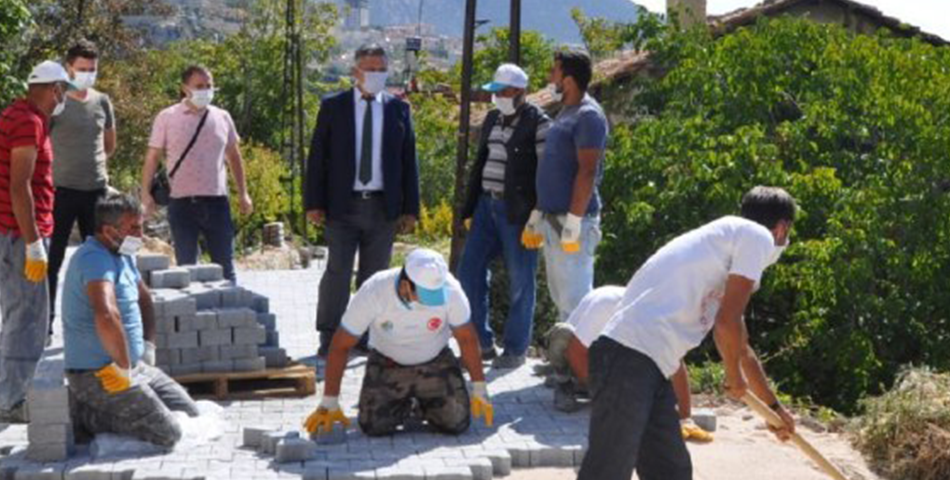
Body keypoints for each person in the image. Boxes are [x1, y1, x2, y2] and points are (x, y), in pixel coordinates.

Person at [576, 186, 799, 480]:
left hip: (650, 366)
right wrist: (733, 376)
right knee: (608, 471)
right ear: (781, 228)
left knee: (670, 470)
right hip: (628, 357)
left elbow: (741, 347)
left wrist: (773, 408)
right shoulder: (756, 237)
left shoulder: (723, 247)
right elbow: (726, 323)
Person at [304, 44, 420, 357]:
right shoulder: (334, 106)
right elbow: (317, 157)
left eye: (382, 70)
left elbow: (409, 161)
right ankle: (330, 336)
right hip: (342, 205)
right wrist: (313, 202)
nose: (376, 75)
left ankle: (366, 336)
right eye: (370, 69)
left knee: (375, 278)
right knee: (338, 273)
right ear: (355, 71)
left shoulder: (398, 109)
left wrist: (410, 209)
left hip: (383, 208)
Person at [303, 249, 491, 437]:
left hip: (435, 361)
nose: (429, 304)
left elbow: (467, 339)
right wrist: (329, 401)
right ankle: (405, 403)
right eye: (424, 296)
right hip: (388, 363)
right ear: (405, 285)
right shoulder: (375, 290)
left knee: (456, 423)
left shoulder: (451, 291)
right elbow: (340, 345)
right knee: (374, 427)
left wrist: (479, 388)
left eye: (435, 296)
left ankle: (423, 403)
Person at [62, 193, 199, 447]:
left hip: (133, 366)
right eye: (134, 228)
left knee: (190, 413)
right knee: (168, 432)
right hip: (100, 374)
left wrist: (148, 346)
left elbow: (144, 298)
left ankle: (102, 406)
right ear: (108, 230)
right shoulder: (94, 259)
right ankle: (86, 416)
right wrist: (122, 368)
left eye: (141, 226)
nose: (141, 234)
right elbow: (106, 314)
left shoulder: (122, 254)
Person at [458, 63, 550, 369]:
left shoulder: (539, 123)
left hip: (518, 212)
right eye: (495, 91)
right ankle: (481, 343)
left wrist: (538, 213)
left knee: (521, 280)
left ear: (520, 91)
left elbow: (546, 171)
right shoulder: (492, 118)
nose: (497, 97)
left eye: (503, 91)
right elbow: (481, 161)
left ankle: (515, 348)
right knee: (469, 271)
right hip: (486, 206)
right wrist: (470, 207)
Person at [0, 61, 73, 423]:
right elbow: (20, 186)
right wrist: (32, 243)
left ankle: (10, 392)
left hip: (14, 231)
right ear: (52, 88)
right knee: (27, 319)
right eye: (62, 91)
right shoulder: (28, 122)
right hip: (18, 235)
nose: (63, 98)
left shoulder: (17, 115)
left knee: (18, 314)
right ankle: (13, 401)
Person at [544, 286, 712, 442]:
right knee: (563, 337)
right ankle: (564, 380)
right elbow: (576, 352)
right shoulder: (606, 308)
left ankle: (587, 384)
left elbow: (676, 366)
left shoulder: (656, 322)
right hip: (578, 350)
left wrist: (685, 417)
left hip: (604, 353)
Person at [141, 65, 252, 283]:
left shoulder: (222, 117)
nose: (205, 91)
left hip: (217, 202)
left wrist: (243, 193)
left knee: (226, 268)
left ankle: (228, 305)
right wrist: (145, 194)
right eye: (199, 86)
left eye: (209, 86)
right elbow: (152, 157)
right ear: (185, 88)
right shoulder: (167, 117)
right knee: (186, 269)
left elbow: (234, 156)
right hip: (182, 203)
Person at [522, 48, 608, 322]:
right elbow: (555, 167)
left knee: (576, 302)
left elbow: (588, 171)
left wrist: (574, 220)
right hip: (553, 218)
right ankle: (567, 348)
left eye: (554, 72)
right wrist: (538, 211)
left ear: (568, 79)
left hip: (573, 223)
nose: (550, 78)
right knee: (561, 298)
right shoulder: (567, 112)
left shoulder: (588, 116)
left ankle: (580, 349)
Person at [47, 40, 117, 338]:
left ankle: (96, 322)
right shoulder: (57, 101)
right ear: (69, 68)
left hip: (96, 192)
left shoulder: (102, 101)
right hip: (61, 191)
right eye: (82, 68)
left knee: (98, 260)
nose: (88, 73)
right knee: (52, 260)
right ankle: (46, 323)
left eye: (92, 69)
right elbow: (40, 142)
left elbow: (109, 144)